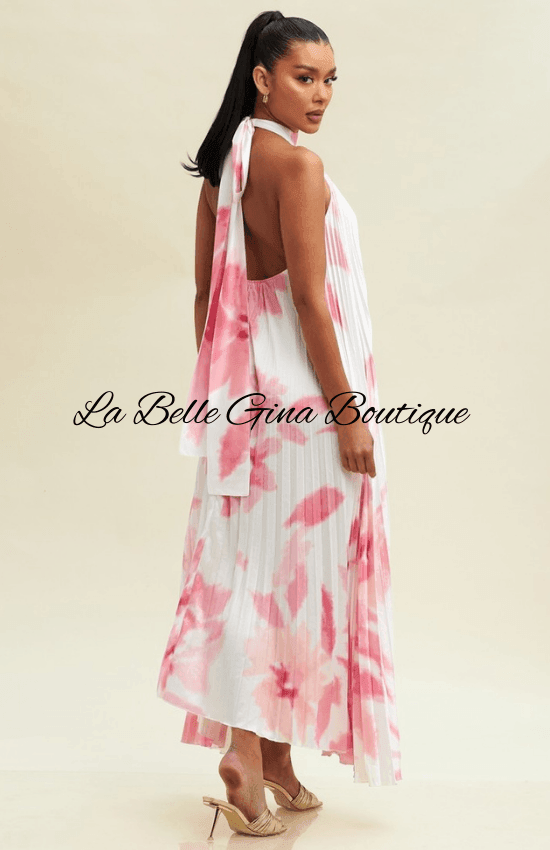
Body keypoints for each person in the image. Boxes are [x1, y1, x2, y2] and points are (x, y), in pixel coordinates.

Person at [157, 10, 402, 839]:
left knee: (253, 581)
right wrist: (349, 415)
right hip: (306, 415)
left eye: (330, 79)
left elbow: (207, 300)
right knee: (300, 588)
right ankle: (244, 751)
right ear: (262, 79)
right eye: (304, 77)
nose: (321, 94)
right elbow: (309, 299)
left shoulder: (221, 172)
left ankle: (270, 757)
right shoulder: (297, 166)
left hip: (245, 412)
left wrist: (232, 398)